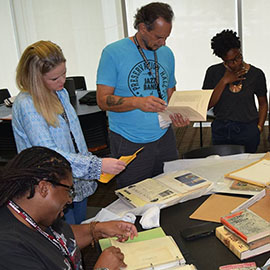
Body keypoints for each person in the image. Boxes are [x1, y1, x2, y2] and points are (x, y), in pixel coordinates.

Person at [12, 40, 127, 224]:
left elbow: (75, 138)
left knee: (77, 231)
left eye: (63, 74)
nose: (62, 81)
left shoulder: (60, 93)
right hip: (47, 186)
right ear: (35, 78)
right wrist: (96, 165)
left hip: (73, 180)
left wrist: (89, 164)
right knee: (65, 237)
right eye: (54, 78)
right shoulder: (27, 104)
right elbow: (48, 154)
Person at [96, 2, 189, 189]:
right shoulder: (113, 53)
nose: (163, 43)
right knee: (135, 197)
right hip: (129, 140)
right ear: (142, 28)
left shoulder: (166, 53)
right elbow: (102, 100)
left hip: (164, 137)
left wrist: (178, 113)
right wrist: (137, 102)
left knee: (172, 190)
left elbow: (170, 92)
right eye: (158, 37)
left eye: (166, 37)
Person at [0, 146, 137, 270]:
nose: (70, 200)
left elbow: (56, 237)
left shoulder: (34, 214)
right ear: (44, 188)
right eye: (68, 191)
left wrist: (95, 230)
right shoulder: (8, 248)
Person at [202, 29, 268, 153]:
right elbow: (207, 104)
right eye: (230, 61)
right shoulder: (213, 72)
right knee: (222, 168)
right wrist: (224, 81)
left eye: (238, 57)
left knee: (246, 169)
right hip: (221, 129)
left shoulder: (256, 74)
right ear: (223, 59)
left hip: (247, 129)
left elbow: (263, 103)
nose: (236, 63)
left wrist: (258, 128)